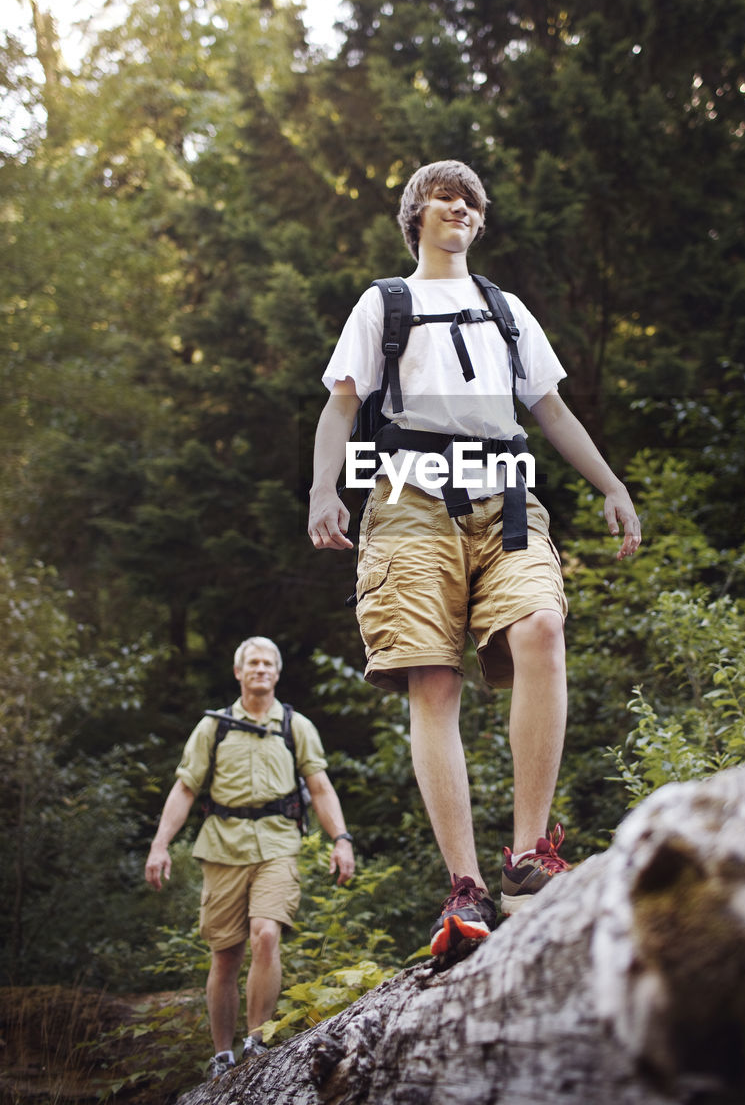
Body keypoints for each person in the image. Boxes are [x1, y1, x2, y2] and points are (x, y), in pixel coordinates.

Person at [308, 159, 641, 959]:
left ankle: (529, 854)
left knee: (539, 630)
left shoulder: (505, 309)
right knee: (432, 677)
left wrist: (610, 485)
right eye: (442, 197)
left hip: (506, 498)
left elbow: (549, 407)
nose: (458, 207)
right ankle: (465, 884)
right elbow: (342, 403)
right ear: (415, 215)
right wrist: (325, 489)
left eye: (470, 200)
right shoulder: (384, 302)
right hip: (406, 500)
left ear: (479, 222)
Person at [144, 636, 355, 1079]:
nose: (260, 669)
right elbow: (185, 788)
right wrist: (160, 844)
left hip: (278, 844)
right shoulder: (213, 728)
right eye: (252, 663)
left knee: (266, 935)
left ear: (277, 673)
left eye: (267, 664)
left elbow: (320, 787)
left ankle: (257, 1043)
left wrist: (341, 838)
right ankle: (222, 1055)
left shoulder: (296, 727)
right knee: (225, 955)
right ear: (239, 673)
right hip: (222, 848)